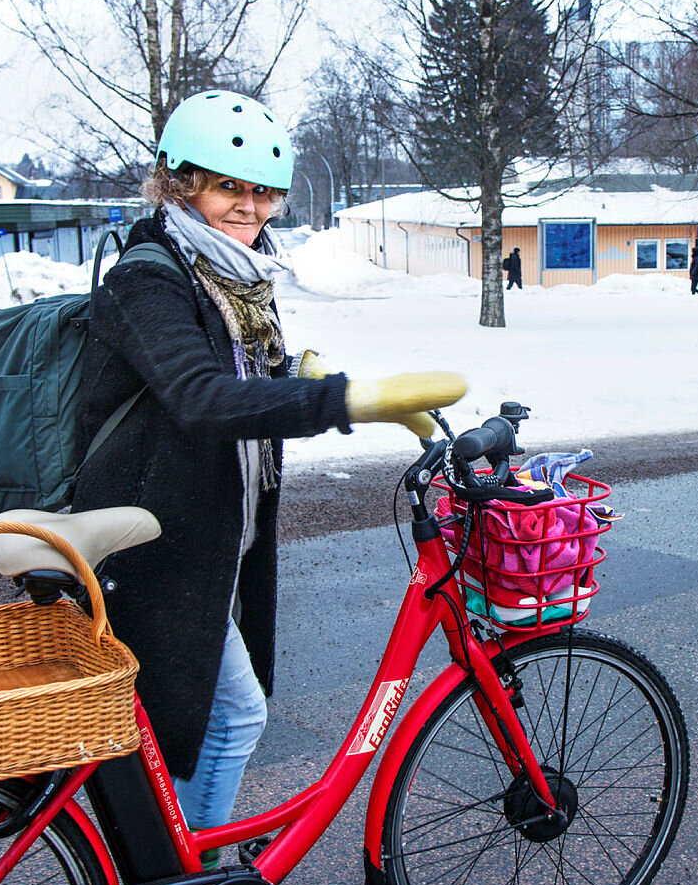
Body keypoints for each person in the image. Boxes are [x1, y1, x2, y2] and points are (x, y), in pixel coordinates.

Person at [73, 90, 464, 836]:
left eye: (260, 192)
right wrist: (350, 401)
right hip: (154, 545)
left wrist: (302, 378)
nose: (247, 207)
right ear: (181, 184)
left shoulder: (231, 274)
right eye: (227, 187)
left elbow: (244, 376)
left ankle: (167, 883)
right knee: (227, 720)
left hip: (207, 533)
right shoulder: (150, 277)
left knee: (175, 734)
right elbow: (202, 398)